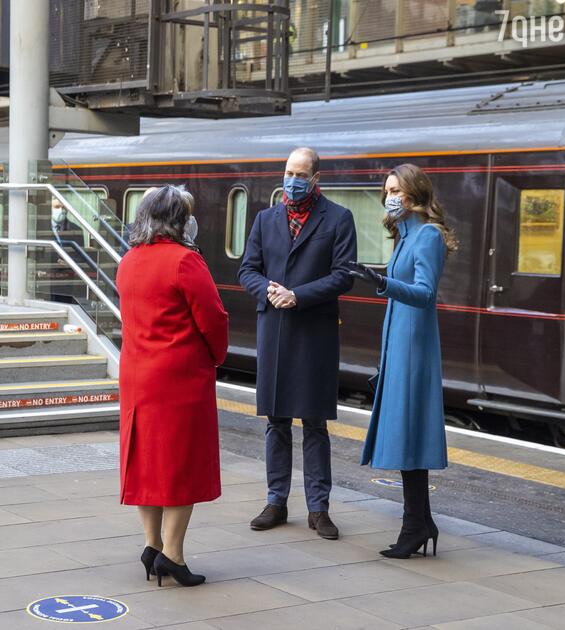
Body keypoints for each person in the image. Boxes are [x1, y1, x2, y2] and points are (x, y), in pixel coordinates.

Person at [238, 147, 357, 540]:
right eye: (288, 172)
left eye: (301, 174)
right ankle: (276, 501)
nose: (292, 180)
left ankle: (318, 508)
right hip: (274, 328)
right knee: (276, 421)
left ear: (315, 178)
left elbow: (344, 275)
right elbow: (248, 269)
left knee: (315, 422)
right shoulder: (265, 218)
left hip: (314, 332)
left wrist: (299, 295)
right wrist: (267, 290)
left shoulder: (339, 218)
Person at [116, 185, 228, 586]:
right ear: (178, 220)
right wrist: (215, 357)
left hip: (136, 376)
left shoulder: (128, 260)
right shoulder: (185, 261)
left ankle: (150, 546)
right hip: (179, 380)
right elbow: (214, 319)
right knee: (181, 467)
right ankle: (173, 555)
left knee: (145, 463)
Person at [347, 163, 457, 559]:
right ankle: (419, 522)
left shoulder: (426, 235)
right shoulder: (404, 238)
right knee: (406, 434)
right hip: (399, 345)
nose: (390, 197)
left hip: (414, 348)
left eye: (397, 190)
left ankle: (416, 525)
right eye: (387, 190)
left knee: (409, 433)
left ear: (413, 195)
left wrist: (382, 282)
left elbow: (425, 293)